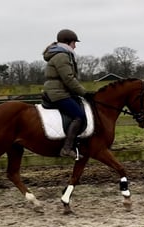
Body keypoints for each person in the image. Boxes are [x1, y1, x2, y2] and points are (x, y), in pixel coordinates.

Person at [42, 29, 90, 160]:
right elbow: (68, 78)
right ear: (68, 42)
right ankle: (66, 148)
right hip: (58, 93)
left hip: (61, 91)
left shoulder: (61, 54)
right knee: (79, 116)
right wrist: (84, 93)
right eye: (74, 43)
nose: (75, 46)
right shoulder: (62, 56)